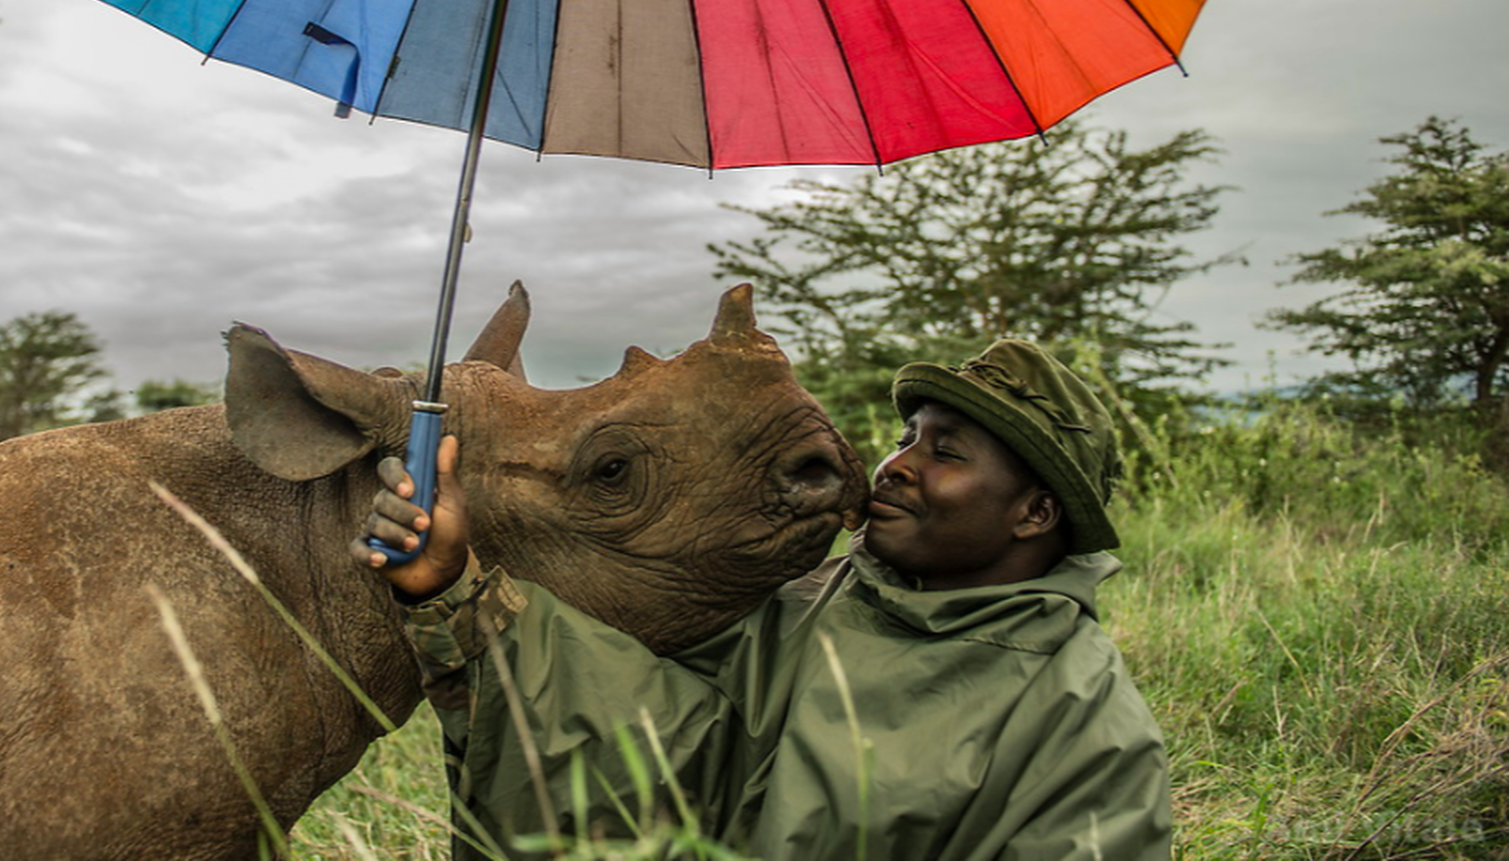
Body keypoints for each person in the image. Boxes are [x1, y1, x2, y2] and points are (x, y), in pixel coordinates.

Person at [353, 340, 1172, 860]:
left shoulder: (1083, 724)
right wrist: (457, 586)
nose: (895, 464)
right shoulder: (815, 598)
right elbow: (662, 741)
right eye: (905, 438)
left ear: (1034, 512)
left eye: (945, 452)